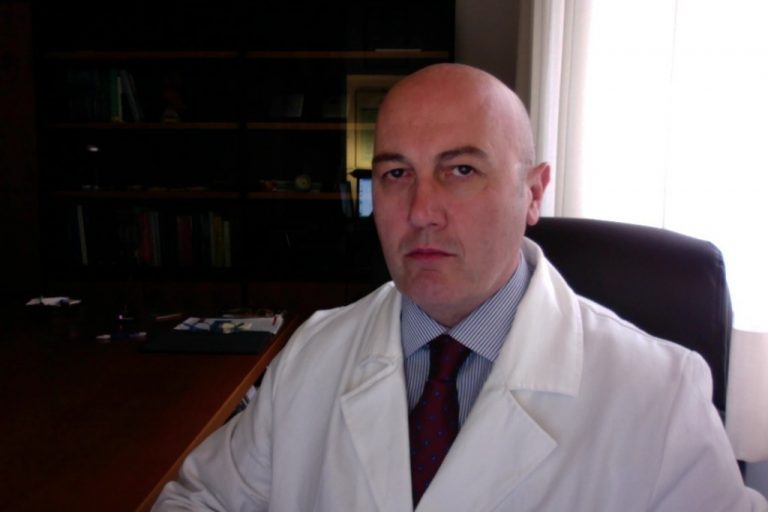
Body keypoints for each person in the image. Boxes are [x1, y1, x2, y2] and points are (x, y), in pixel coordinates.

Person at [153, 64, 767, 511]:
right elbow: (200, 500)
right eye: (397, 173)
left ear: (533, 193)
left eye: (462, 170)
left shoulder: (659, 395)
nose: (421, 211)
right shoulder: (312, 354)